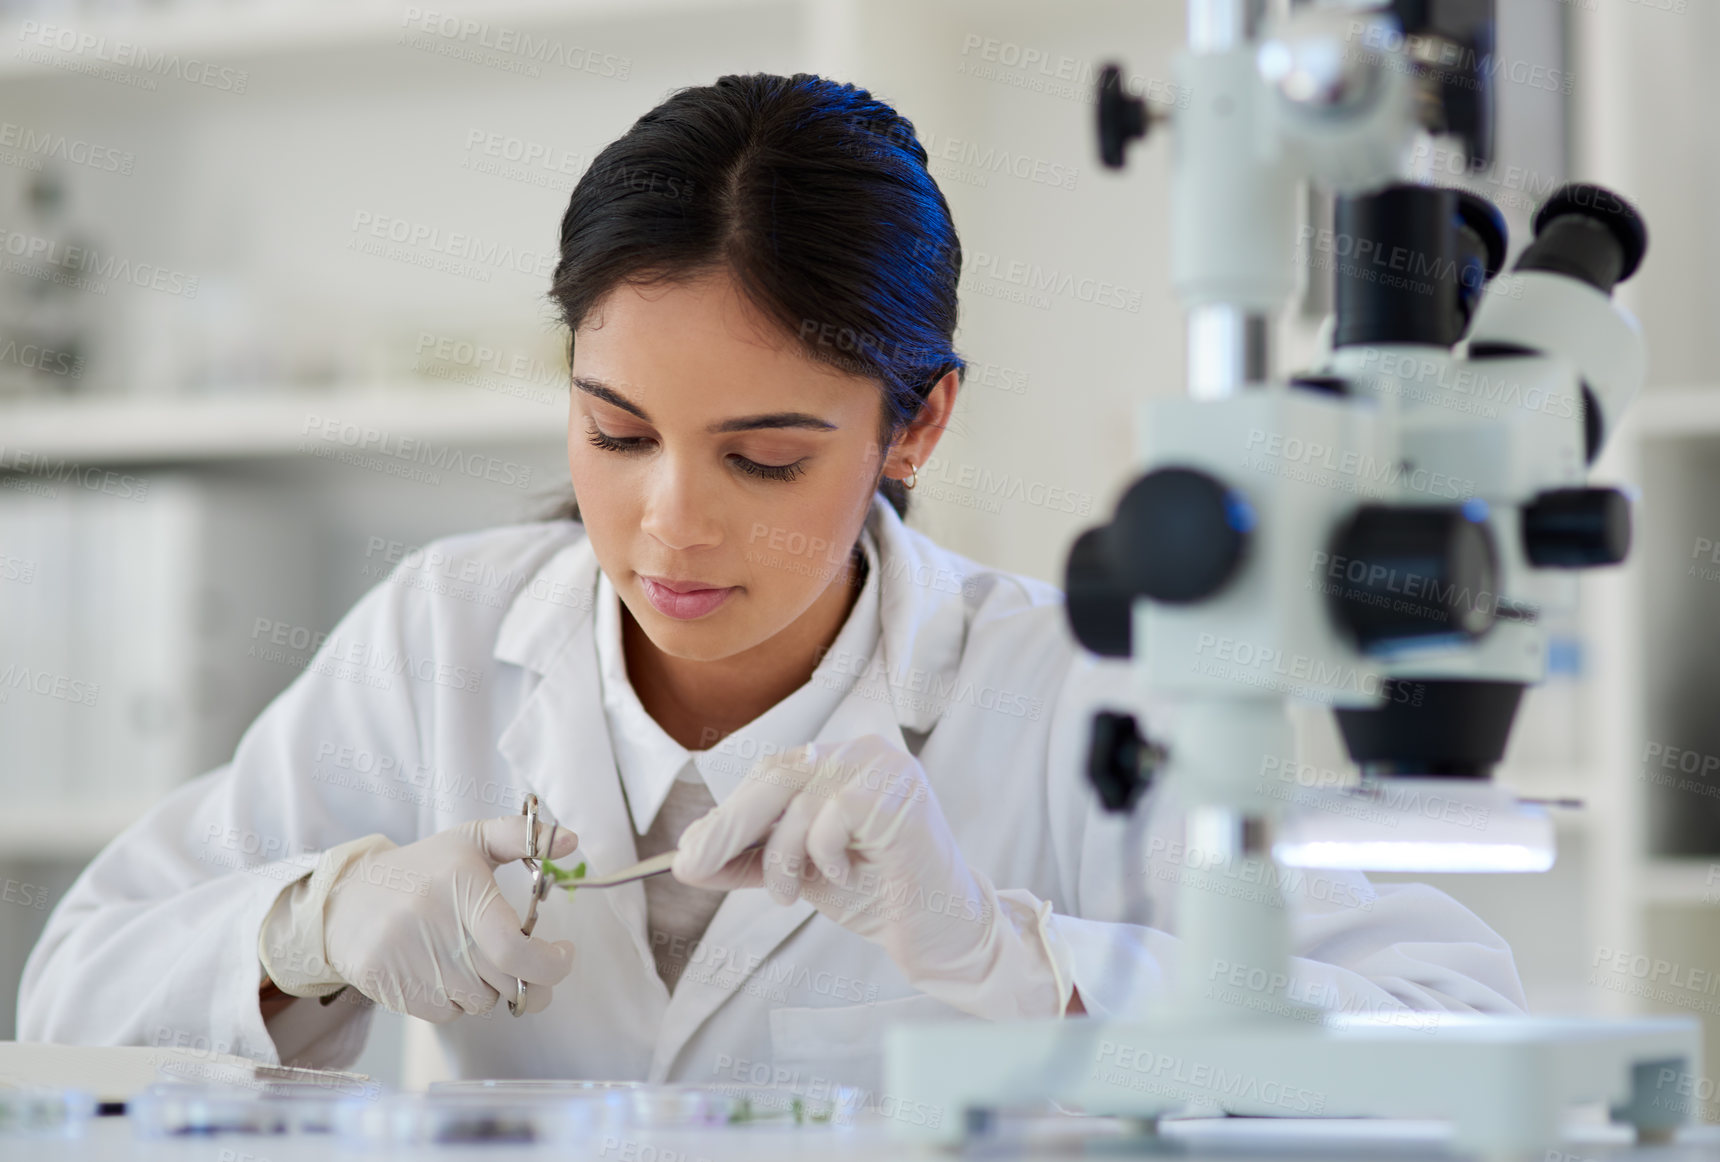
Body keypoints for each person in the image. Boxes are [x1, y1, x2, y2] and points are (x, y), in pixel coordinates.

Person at [19, 73, 1525, 1097]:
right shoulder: (446, 633)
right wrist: (309, 924)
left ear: (915, 423)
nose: (668, 525)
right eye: (616, 431)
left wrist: (1014, 961)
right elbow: (71, 995)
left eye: (763, 457)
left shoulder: (1073, 688)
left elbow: (1461, 1035)